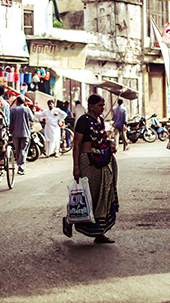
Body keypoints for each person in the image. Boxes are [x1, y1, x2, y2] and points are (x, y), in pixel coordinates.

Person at [63, 94, 118, 244]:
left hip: (102, 161)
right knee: (88, 197)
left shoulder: (99, 120)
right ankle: (69, 219)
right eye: (100, 105)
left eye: (103, 105)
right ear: (91, 106)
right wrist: (76, 167)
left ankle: (99, 234)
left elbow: (101, 139)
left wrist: (109, 144)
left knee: (103, 197)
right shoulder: (83, 121)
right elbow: (77, 145)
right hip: (87, 162)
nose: (103, 108)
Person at [10, 95, 35, 175]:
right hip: (25, 133)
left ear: (17, 101)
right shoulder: (27, 109)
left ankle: (19, 165)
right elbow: (33, 119)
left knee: (17, 150)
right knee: (23, 150)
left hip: (15, 133)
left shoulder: (13, 110)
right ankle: (21, 167)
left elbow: (10, 121)